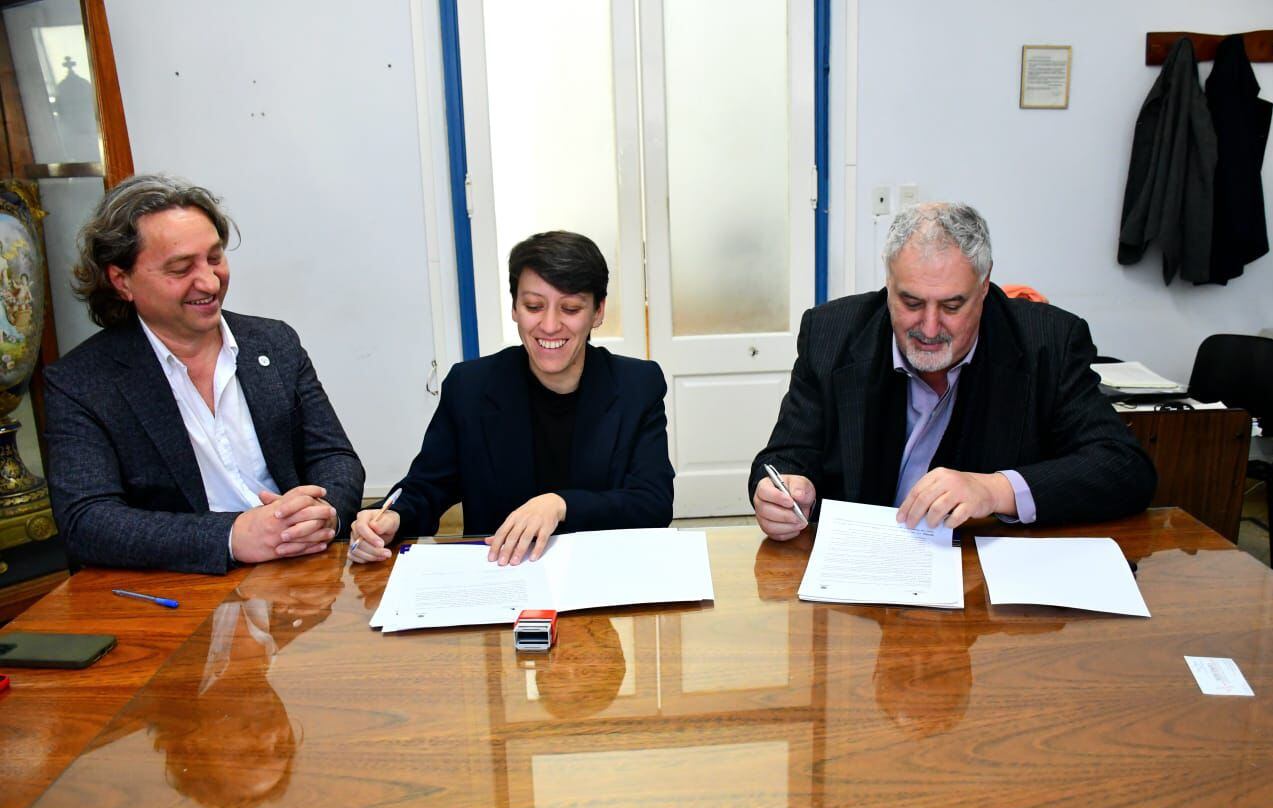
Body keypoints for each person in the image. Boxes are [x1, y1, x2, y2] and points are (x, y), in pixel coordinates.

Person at [750, 201, 1155, 541]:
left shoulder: (1047, 343)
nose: (928, 329)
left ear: (984, 286)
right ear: (888, 282)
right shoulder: (831, 333)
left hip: (981, 584)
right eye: (910, 302)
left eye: (951, 306)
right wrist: (782, 491)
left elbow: (1124, 468)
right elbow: (787, 455)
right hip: (859, 579)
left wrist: (996, 489)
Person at [45, 174, 364, 574]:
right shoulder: (81, 382)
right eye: (181, 268)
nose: (210, 282)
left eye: (215, 258)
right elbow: (88, 521)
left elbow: (334, 456)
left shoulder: (274, 343)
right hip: (181, 588)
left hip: (301, 573)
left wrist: (323, 513)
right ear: (121, 280)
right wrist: (232, 536)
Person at [350, 230, 673, 565]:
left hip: (598, 574)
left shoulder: (637, 385)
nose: (549, 325)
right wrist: (389, 519)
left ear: (598, 311)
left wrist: (559, 504)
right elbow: (425, 488)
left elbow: (653, 504)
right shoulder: (471, 387)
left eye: (571, 308)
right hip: (499, 576)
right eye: (534, 306)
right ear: (515, 308)